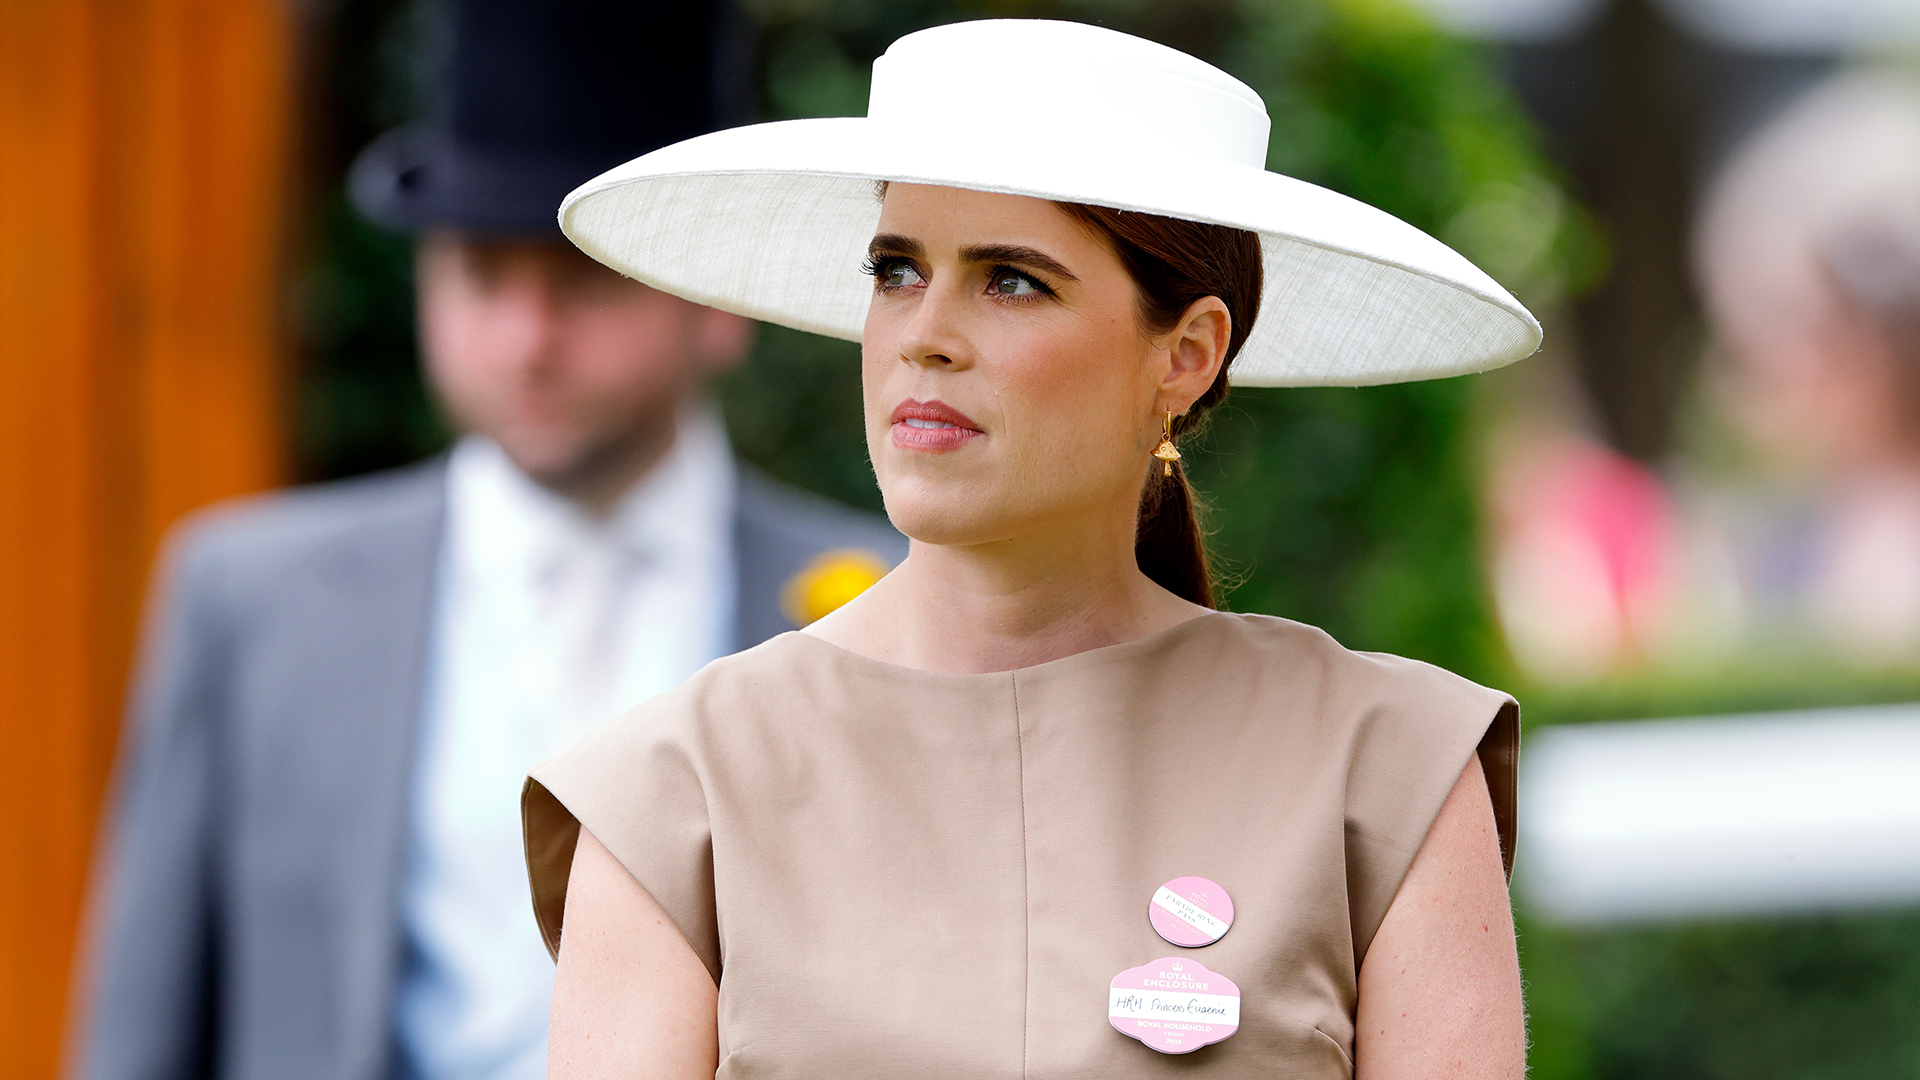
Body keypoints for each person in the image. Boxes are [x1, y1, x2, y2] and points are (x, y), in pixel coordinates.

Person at [520, 19, 1535, 1079]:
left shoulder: (1391, 774)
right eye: (896, 269)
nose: (925, 333)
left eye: (1011, 280)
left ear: (1186, 355)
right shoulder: (672, 797)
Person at [74, 2, 902, 1079]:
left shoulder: (885, 611)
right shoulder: (248, 599)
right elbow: (139, 1033)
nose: (525, 340)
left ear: (717, 301)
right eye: (480, 274)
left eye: (582, 280)